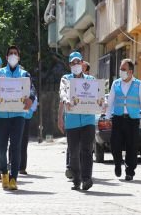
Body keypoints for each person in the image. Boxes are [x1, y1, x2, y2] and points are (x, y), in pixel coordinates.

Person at [0, 45, 36, 190]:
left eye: (15, 53)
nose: (13, 56)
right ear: (6, 57)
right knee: (1, 149)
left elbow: (32, 89)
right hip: (2, 115)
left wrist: (31, 98)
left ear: (19, 57)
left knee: (16, 148)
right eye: (10, 53)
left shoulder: (25, 74)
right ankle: (4, 173)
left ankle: (13, 178)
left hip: (18, 115)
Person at [106, 58, 141, 181]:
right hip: (118, 119)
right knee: (115, 144)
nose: (121, 71)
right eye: (120, 69)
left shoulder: (138, 84)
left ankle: (130, 171)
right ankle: (117, 164)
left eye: (123, 69)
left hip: (132, 120)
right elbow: (110, 101)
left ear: (130, 71)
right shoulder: (116, 83)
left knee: (132, 146)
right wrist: (108, 117)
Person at [59, 51, 95, 191]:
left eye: (78, 62)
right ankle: (76, 179)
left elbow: (97, 95)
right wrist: (66, 100)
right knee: (73, 152)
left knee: (86, 150)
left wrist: (102, 104)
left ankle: (87, 179)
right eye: (73, 63)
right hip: (72, 121)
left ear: (82, 63)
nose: (76, 65)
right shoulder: (65, 79)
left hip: (88, 120)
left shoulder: (90, 80)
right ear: (69, 65)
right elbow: (62, 91)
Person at [19, 95, 38, 175]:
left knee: (23, 142)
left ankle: (22, 167)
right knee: (14, 141)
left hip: (25, 117)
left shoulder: (31, 87)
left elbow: (35, 100)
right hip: (15, 115)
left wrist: (30, 111)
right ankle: (12, 163)